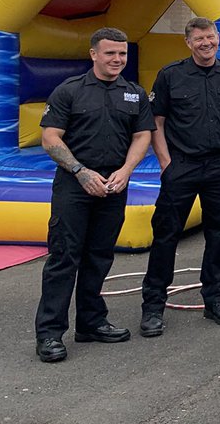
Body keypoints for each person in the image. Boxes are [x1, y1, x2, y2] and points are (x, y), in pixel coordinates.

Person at [34, 27, 155, 362]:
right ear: (93, 54)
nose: (117, 60)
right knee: (63, 259)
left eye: (122, 54)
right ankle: (49, 334)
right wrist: (80, 172)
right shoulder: (69, 91)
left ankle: (90, 323)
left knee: (99, 257)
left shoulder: (133, 93)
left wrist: (126, 171)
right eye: (110, 53)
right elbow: (50, 138)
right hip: (74, 187)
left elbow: (143, 135)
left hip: (113, 187)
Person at [140, 16, 220, 337]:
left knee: (219, 236)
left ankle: (215, 300)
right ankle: (153, 307)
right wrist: (166, 163)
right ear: (188, 42)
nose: (206, 43)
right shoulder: (170, 76)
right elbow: (157, 122)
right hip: (182, 167)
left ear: (218, 38)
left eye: (211, 37)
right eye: (199, 39)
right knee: (166, 236)